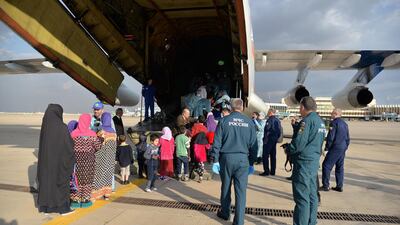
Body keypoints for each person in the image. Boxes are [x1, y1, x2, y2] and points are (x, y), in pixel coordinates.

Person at [211, 98, 258, 225]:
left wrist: (215, 159)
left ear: (231, 108)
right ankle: (239, 221)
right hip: (243, 159)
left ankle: (225, 213)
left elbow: (217, 143)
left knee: (226, 187)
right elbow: (254, 145)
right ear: (242, 107)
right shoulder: (249, 122)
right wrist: (252, 162)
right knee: (241, 191)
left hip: (226, 158)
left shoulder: (224, 121)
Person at [286, 97, 325, 225]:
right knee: (312, 195)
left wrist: (289, 149)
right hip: (313, 163)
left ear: (302, 107)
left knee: (302, 197)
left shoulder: (306, 122)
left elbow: (299, 144)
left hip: (304, 163)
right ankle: (311, 222)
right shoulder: (320, 122)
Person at [37, 104, 75, 215]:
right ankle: (63, 208)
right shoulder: (62, 127)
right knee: (60, 184)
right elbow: (69, 147)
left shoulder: (45, 128)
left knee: (47, 183)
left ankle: (46, 208)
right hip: (59, 163)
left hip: (46, 164)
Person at [70, 114, 102, 208]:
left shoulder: (73, 134)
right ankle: (85, 201)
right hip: (89, 162)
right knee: (87, 180)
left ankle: (75, 201)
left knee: (76, 180)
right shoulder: (92, 134)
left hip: (76, 162)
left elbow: (69, 147)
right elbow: (98, 147)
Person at [321, 108, 350, 192]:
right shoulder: (345, 124)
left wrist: (326, 148)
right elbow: (348, 138)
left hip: (335, 147)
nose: (331, 114)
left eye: (332, 113)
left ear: (335, 113)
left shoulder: (333, 123)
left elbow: (331, 137)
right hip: (342, 148)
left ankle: (326, 185)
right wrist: (346, 147)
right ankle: (339, 186)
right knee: (339, 167)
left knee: (326, 166)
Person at [92, 112, 117, 201]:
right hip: (110, 158)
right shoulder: (114, 132)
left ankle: (95, 195)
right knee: (108, 176)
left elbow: (96, 144)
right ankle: (107, 195)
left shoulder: (101, 131)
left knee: (98, 176)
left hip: (101, 157)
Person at [260, 108, 281, 176]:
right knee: (273, 156)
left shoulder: (270, 120)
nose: (268, 113)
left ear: (271, 112)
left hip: (268, 140)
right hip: (274, 140)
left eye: (269, 112)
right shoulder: (278, 120)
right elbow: (279, 131)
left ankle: (266, 171)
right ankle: (273, 171)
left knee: (265, 156)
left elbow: (267, 129)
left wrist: (265, 139)